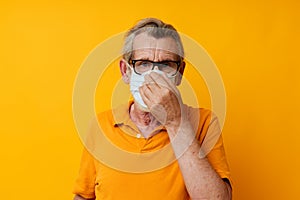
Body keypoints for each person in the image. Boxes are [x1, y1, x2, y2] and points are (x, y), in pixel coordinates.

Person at [73, 18, 232, 200]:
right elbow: (83, 196)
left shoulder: (204, 122)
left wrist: (175, 122)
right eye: (143, 63)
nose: (153, 75)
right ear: (125, 71)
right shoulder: (101, 125)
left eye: (166, 65)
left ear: (180, 73)